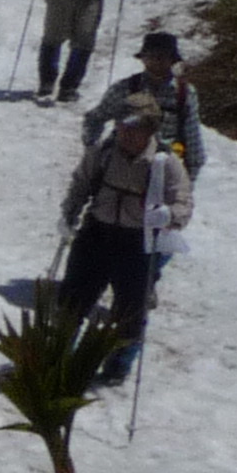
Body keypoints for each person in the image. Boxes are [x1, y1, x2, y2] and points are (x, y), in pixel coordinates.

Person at [59, 102, 193, 381]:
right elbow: (81, 183)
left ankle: (117, 367)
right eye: (121, 127)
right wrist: (69, 212)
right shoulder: (102, 153)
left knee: (131, 310)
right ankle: (58, 357)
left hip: (138, 243)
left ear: (150, 130)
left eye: (134, 128)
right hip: (97, 234)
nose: (126, 134)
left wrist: (169, 216)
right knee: (72, 301)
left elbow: (183, 204)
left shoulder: (165, 163)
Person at [85, 28, 207, 177]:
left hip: (164, 165)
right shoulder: (125, 88)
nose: (156, 61)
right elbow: (95, 117)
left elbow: (192, 135)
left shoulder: (184, 93)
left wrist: (189, 177)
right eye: (151, 56)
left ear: (172, 60)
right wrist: (93, 150)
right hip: (123, 163)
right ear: (143, 58)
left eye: (162, 57)